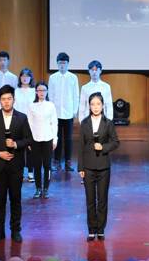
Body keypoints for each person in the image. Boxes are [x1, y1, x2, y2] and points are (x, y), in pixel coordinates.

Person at [0, 85, 34, 244]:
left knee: (15, 198)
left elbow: (29, 139)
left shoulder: (22, 117)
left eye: (9, 99)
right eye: (3, 99)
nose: (6, 102)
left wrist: (15, 144)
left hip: (15, 165)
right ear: (0, 100)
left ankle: (15, 230)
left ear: (14, 99)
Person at [78, 92, 120, 241]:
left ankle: (101, 229)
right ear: (89, 106)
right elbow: (81, 146)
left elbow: (115, 142)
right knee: (90, 200)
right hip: (88, 167)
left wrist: (103, 147)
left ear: (102, 106)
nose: (95, 107)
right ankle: (91, 229)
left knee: (102, 200)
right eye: (92, 104)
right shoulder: (84, 123)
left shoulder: (108, 123)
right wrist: (81, 168)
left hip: (103, 167)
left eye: (98, 104)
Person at [48, 52, 79, 172]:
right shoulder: (53, 77)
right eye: (60, 63)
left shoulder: (73, 77)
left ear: (68, 64)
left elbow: (76, 95)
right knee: (57, 139)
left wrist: (75, 110)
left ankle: (68, 162)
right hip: (56, 113)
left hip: (68, 112)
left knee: (68, 139)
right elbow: (50, 95)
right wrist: (51, 111)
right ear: (57, 64)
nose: (62, 65)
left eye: (64, 63)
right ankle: (56, 161)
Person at [28, 81, 58, 198]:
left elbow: (54, 123)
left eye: (44, 90)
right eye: (39, 90)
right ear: (36, 92)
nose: (41, 92)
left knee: (47, 165)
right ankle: (38, 188)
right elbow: (29, 124)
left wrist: (55, 139)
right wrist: (29, 140)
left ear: (47, 92)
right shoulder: (31, 106)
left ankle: (45, 188)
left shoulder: (51, 105)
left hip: (48, 138)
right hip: (35, 139)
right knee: (36, 165)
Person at [14, 68, 37, 183]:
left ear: (31, 78)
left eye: (27, 76)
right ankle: (20, 172)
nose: (25, 78)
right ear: (20, 78)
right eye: (23, 76)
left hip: (32, 123)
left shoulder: (34, 91)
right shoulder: (16, 91)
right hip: (19, 122)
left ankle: (30, 173)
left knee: (30, 149)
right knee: (19, 148)